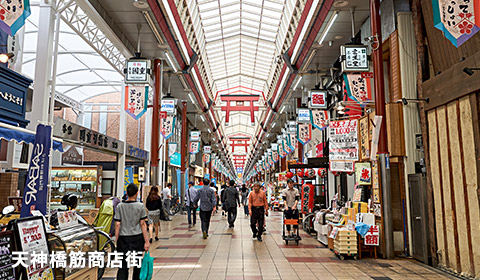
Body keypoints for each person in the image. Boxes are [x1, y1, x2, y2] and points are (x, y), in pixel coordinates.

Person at [114, 183, 149, 280]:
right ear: (137, 193)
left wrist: (116, 239)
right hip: (137, 238)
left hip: (123, 238)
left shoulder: (120, 206)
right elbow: (142, 224)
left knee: (123, 266)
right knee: (137, 265)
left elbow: (117, 224)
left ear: (127, 193)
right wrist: (146, 241)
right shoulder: (140, 206)